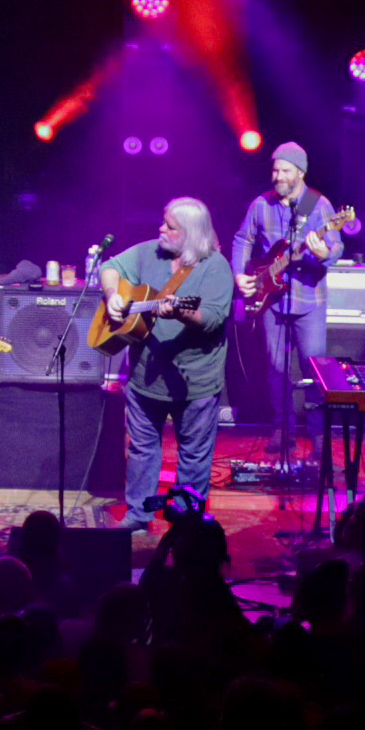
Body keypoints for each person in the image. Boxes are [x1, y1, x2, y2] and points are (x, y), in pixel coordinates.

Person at [105, 198, 235, 533]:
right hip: (144, 377)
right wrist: (112, 294)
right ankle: (138, 514)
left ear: (190, 234)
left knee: (193, 456)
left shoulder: (216, 267)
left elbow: (212, 319)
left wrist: (181, 312)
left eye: (170, 227)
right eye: (164, 222)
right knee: (142, 449)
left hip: (195, 381)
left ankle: (186, 521)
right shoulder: (150, 252)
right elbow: (111, 267)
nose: (160, 229)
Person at [229, 141, 343, 456]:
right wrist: (239, 274)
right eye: (275, 170)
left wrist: (323, 253)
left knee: (314, 369)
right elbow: (242, 239)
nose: (278, 176)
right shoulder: (261, 204)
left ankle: (318, 434)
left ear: (300, 173)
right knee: (276, 368)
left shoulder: (319, 205)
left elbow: (336, 246)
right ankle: (283, 428)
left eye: (285, 170)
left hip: (309, 300)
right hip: (272, 300)